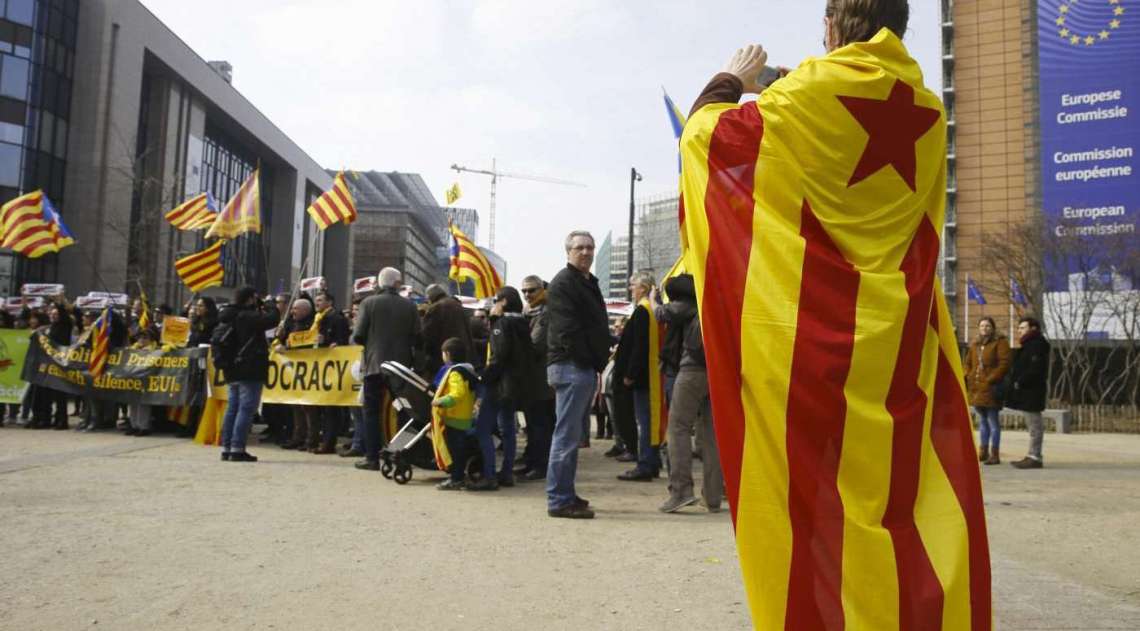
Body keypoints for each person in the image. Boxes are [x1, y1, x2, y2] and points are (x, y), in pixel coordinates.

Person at [678, 1, 991, 623]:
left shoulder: (802, 99)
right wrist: (796, 85)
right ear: (900, 26)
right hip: (894, 347)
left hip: (809, 347)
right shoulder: (928, 109)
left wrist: (731, 81)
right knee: (893, 497)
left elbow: (706, 140)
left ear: (829, 26)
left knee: (813, 508)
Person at [545, 230, 611, 519]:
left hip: (579, 365)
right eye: (579, 247)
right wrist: (593, 358)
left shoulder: (585, 282)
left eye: (589, 247)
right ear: (568, 251)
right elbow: (568, 331)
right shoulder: (564, 283)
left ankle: (565, 493)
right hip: (572, 365)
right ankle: (559, 500)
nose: (585, 252)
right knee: (566, 436)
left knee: (570, 437)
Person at [651, 275, 724, 513]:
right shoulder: (713, 300)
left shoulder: (687, 303)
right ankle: (713, 496)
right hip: (718, 372)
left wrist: (653, 299)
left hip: (692, 370)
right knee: (712, 434)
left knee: (678, 428)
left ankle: (681, 490)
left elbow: (660, 314)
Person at [352, 267, 421, 471]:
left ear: (380, 284)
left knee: (371, 411)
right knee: (402, 410)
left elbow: (358, 335)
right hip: (401, 368)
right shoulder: (409, 306)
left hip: (374, 365)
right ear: (398, 283)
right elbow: (418, 336)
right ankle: (400, 453)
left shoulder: (369, 303)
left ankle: (372, 457)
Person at [470, 286, 535, 490]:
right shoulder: (523, 323)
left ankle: (489, 475)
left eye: (496, 300)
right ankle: (506, 472)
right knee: (508, 430)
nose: (493, 304)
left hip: (498, 384)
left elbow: (498, 356)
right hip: (515, 385)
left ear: (504, 302)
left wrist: (483, 377)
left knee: (483, 429)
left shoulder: (502, 323)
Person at [217, 286, 280, 462]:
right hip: (249, 367)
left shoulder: (226, 315)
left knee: (233, 408)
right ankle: (238, 448)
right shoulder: (246, 316)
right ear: (251, 298)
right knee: (246, 409)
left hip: (231, 368)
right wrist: (269, 304)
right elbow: (272, 319)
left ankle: (227, 447)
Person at [613, 271, 663, 481]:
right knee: (647, 421)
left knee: (644, 422)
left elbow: (639, 346)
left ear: (643, 288)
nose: (630, 288)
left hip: (642, 378)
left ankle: (645, 465)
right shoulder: (648, 310)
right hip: (646, 376)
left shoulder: (643, 311)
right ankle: (651, 461)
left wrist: (631, 374)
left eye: (633, 285)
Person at [517, 275, 555, 481]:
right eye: (523, 291)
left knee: (541, 425)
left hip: (542, 378)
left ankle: (540, 465)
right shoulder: (530, 311)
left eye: (531, 290)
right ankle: (532, 462)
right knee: (532, 424)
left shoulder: (547, 312)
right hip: (532, 377)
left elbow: (535, 345)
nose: (527, 295)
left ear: (541, 289)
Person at [431, 337, 478, 491]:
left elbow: (458, 394)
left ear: (448, 354)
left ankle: (456, 478)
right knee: (460, 448)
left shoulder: (455, 372)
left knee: (455, 451)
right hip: (464, 416)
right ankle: (458, 477)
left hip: (454, 416)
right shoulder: (468, 369)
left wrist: (441, 401)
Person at [964, 316, 1011, 465]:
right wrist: (968, 375)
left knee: (992, 421)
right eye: (982, 326)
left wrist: (991, 379)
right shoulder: (975, 344)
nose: (985, 328)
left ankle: (994, 454)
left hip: (991, 387)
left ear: (993, 328)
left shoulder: (1000, 342)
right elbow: (968, 362)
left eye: (988, 326)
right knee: (982, 420)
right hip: (976, 388)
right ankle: (982, 451)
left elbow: (1004, 364)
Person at [1008, 317, 1051, 469]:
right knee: (1032, 426)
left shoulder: (1036, 345)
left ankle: (1035, 456)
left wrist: (1020, 381)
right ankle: (1032, 454)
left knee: (1035, 426)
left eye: (1023, 328)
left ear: (1033, 329)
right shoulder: (1028, 345)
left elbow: (1035, 369)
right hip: (1027, 391)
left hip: (1032, 391)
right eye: (1019, 328)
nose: (1019, 331)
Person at [277, 297, 320, 451]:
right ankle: (298, 437)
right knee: (296, 405)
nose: (293, 311)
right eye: (293, 308)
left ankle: (311, 439)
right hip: (293, 370)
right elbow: (284, 340)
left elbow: (309, 343)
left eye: (296, 309)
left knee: (308, 407)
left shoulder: (313, 324)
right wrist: (281, 335)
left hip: (308, 369)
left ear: (305, 310)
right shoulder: (290, 323)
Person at [312, 290, 351, 454]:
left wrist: (330, 342)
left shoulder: (337, 319)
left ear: (330, 302)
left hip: (333, 368)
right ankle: (325, 440)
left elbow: (342, 341)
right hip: (321, 366)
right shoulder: (318, 320)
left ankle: (329, 442)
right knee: (324, 408)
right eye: (316, 300)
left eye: (320, 300)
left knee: (331, 409)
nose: (317, 303)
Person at [421, 284, 474, 378]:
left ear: (430, 296)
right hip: (463, 356)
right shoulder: (458, 305)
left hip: (443, 358)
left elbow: (427, 336)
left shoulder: (436, 308)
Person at [126, 326, 159, 437]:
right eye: (140, 337)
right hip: (134, 379)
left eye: (145, 338)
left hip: (146, 380)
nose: (141, 340)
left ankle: (143, 426)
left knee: (143, 404)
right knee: (133, 402)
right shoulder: (134, 349)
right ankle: (133, 425)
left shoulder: (154, 351)